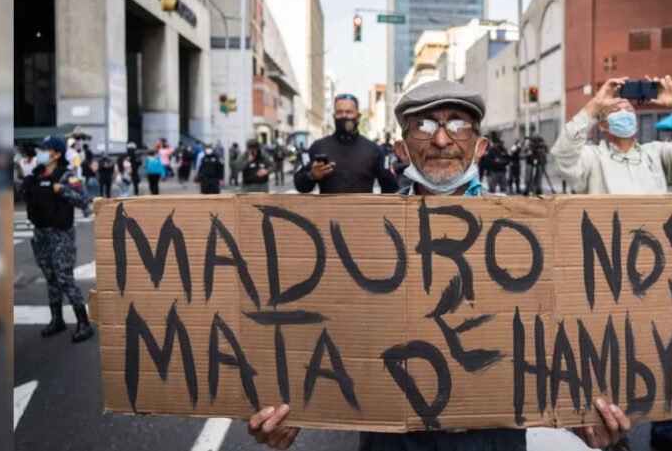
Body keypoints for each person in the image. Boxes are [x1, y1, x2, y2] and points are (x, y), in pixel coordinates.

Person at [247, 80, 631, 450]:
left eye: (458, 126)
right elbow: (329, 323)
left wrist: (581, 411)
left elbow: (554, 327)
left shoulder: (526, 231)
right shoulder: (362, 237)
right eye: (425, 127)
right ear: (401, 150)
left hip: (492, 437)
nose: (442, 141)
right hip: (392, 438)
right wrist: (293, 406)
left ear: (480, 148)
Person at [552, 75, 672, 451]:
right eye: (615, 110)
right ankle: (612, 432)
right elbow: (563, 157)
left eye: (629, 108)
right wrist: (593, 105)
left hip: (659, 274)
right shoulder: (592, 160)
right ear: (603, 126)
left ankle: (665, 434)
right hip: (607, 276)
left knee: (666, 351)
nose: (625, 111)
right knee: (609, 353)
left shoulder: (656, 155)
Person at [20, 135, 94, 343]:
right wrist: (25, 184)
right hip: (41, 232)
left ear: (56, 154)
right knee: (51, 277)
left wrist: (61, 190)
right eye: (40, 149)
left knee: (64, 277)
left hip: (60, 234)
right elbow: (27, 197)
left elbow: (83, 201)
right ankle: (57, 318)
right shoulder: (35, 175)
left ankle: (83, 322)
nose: (40, 153)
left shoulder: (67, 176)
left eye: (45, 150)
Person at [294, 93, 399, 194]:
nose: (344, 116)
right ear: (334, 116)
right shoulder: (318, 147)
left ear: (358, 117)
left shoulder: (374, 149)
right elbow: (301, 186)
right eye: (339, 112)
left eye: (348, 112)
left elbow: (391, 187)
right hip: (328, 207)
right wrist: (311, 176)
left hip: (362, 207)